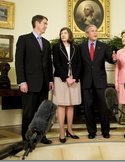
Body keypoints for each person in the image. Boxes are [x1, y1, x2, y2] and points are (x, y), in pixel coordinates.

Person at [15, 15, 54, 144]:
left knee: (42, 113)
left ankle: (40, 136)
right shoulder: (24, 39)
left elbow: (48, 64)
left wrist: (50, 80)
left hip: (43, 85)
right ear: (36, 23)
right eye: (44, 23)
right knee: (28, 113)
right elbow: (19, 62)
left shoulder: (47, 43)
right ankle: (26, 139)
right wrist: (22, 81)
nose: (46, 26)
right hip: (29, 84)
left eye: (46, 24)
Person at [80, 24, 117, 139]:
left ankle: (105, 131)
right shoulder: (80, 47)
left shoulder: (103, 46)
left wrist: (114, 59)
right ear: (87, 34)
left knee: (103, 107)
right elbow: (78, 65)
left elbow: (110, 59)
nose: (95, 33)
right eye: (92, 31)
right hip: (86, 82)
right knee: (88, 108)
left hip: (100, 82)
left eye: (96, 31)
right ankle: (92, 132)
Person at [52, 27, 81, 143]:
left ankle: (70, 130)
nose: (63, 35)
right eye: (61, 33)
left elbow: (79, 63)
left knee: (71, 105)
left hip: (74, 79)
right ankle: (61, 132)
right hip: (60, 79)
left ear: (70, 35)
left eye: (65, 33)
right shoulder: (56, 47)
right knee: (61, 105)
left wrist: (74, 78)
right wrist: (66, 77)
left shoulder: (76, 48)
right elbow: (56, 64)